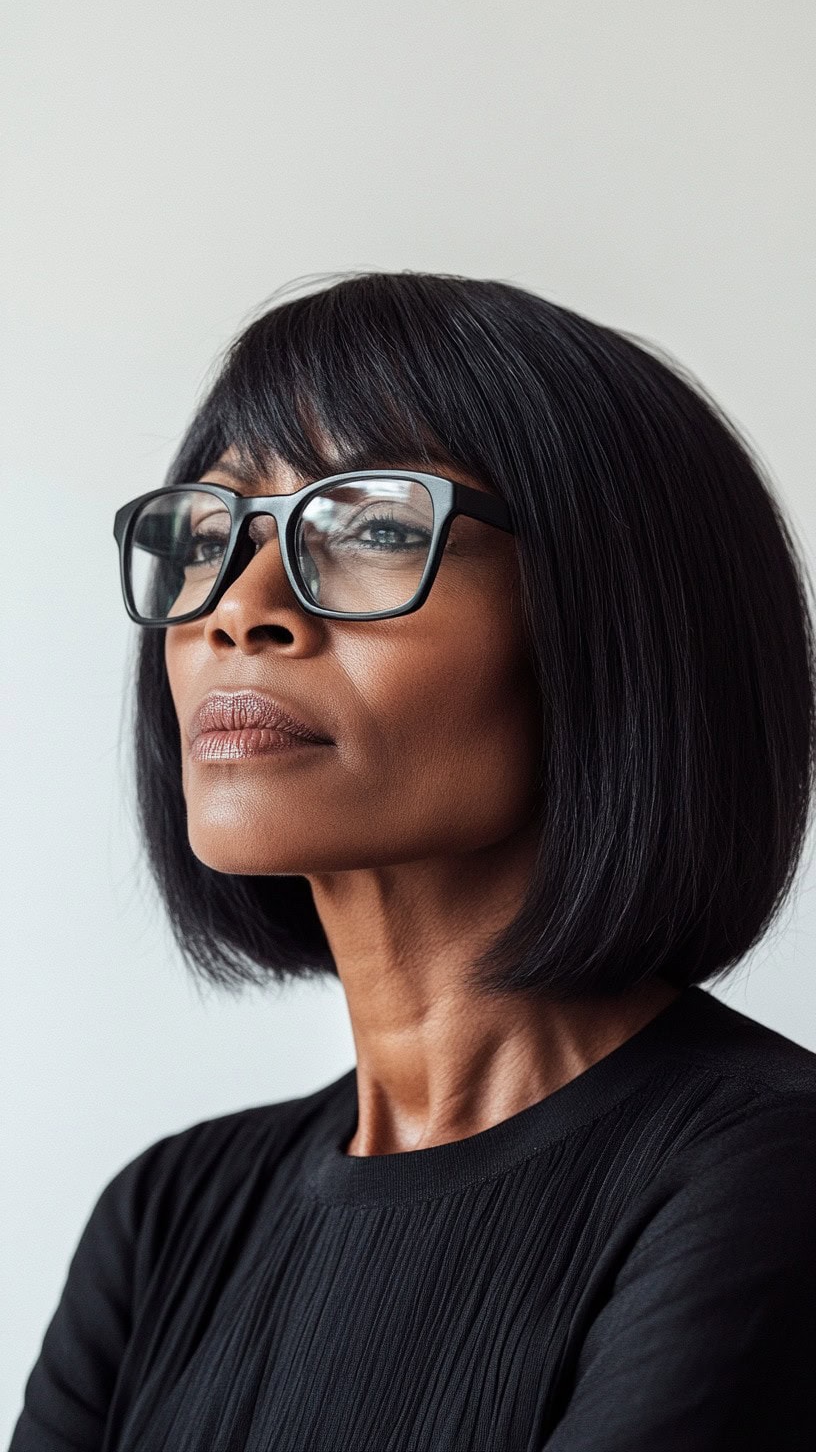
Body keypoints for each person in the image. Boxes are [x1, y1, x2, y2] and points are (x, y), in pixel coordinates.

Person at [10, 270, 816, 1451]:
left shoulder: (768, 1178)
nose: (241, 603)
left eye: (375, 525)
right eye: (213, 528)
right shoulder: (166, 1217)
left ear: (617, 623)